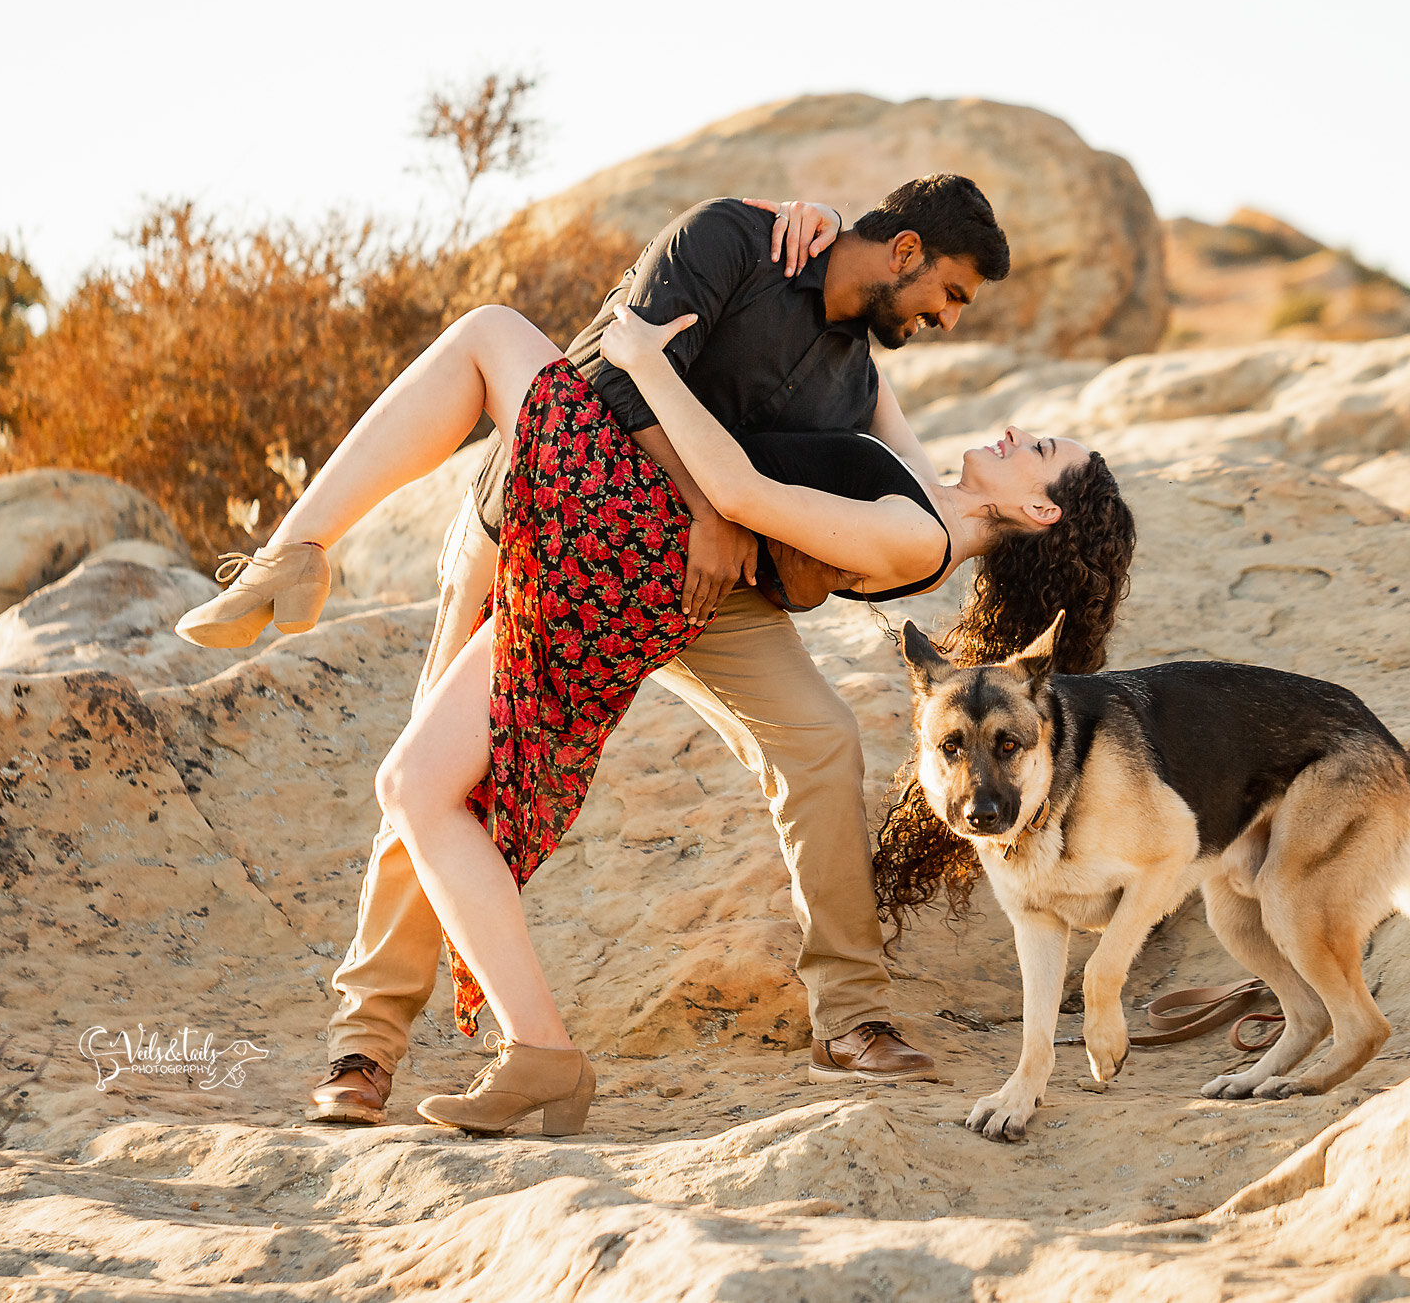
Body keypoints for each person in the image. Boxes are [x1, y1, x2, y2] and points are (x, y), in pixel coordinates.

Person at [175, 177, 1128, 1132]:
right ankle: (368, 1040)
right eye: (949, 294)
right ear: (907, 251)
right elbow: (615, 381)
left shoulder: (859, 383)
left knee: (821, 738)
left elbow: (865, 505)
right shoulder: (739, 243)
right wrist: (822, 215)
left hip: (698, 585)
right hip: (553, 519)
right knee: (435, 772)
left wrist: (770, 540)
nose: (947, 321)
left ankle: (851, 1017)